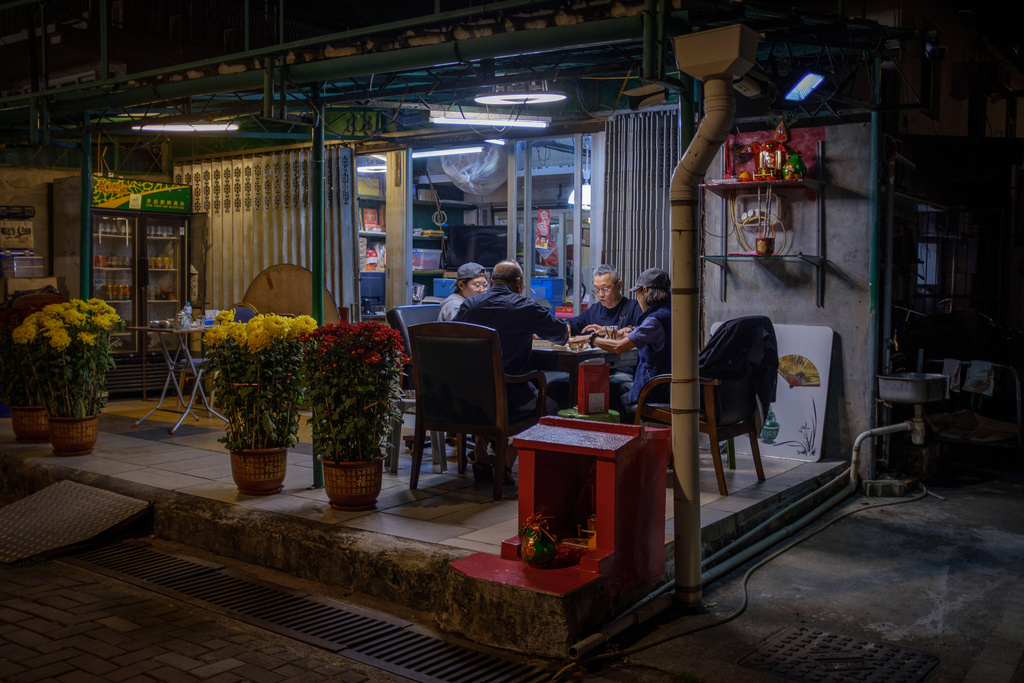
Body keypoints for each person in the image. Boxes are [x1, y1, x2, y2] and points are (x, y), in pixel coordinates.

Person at [455, 260, 570, 484]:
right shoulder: (524, 306)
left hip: (471, 397)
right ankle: (505, 463)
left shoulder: (469, 306)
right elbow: (560, 333)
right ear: (518, 283)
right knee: (550, 406)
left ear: (490, 281)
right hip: (512, 396)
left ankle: (480, 453)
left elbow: (455, 340)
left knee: (485, 389)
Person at [549, 264, 643, 411]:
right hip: (591, 370)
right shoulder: (594, 310)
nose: (600, 295)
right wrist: (563, 326)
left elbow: (640, 335)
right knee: (555, 387)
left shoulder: (634, 308)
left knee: (615, 389)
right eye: (596, 290)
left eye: (605, 289)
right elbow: (575, 323)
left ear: (619, 285)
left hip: (621, 371)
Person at [586, 267, 671, 423]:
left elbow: (618, 348)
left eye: (637, 293)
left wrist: (591, 340)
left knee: (613, 395)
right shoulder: (669, 313)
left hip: (654, 390)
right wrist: (610, 331)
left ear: (644, 291)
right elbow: (635, 332)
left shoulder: (654, 320)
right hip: (669, 387)